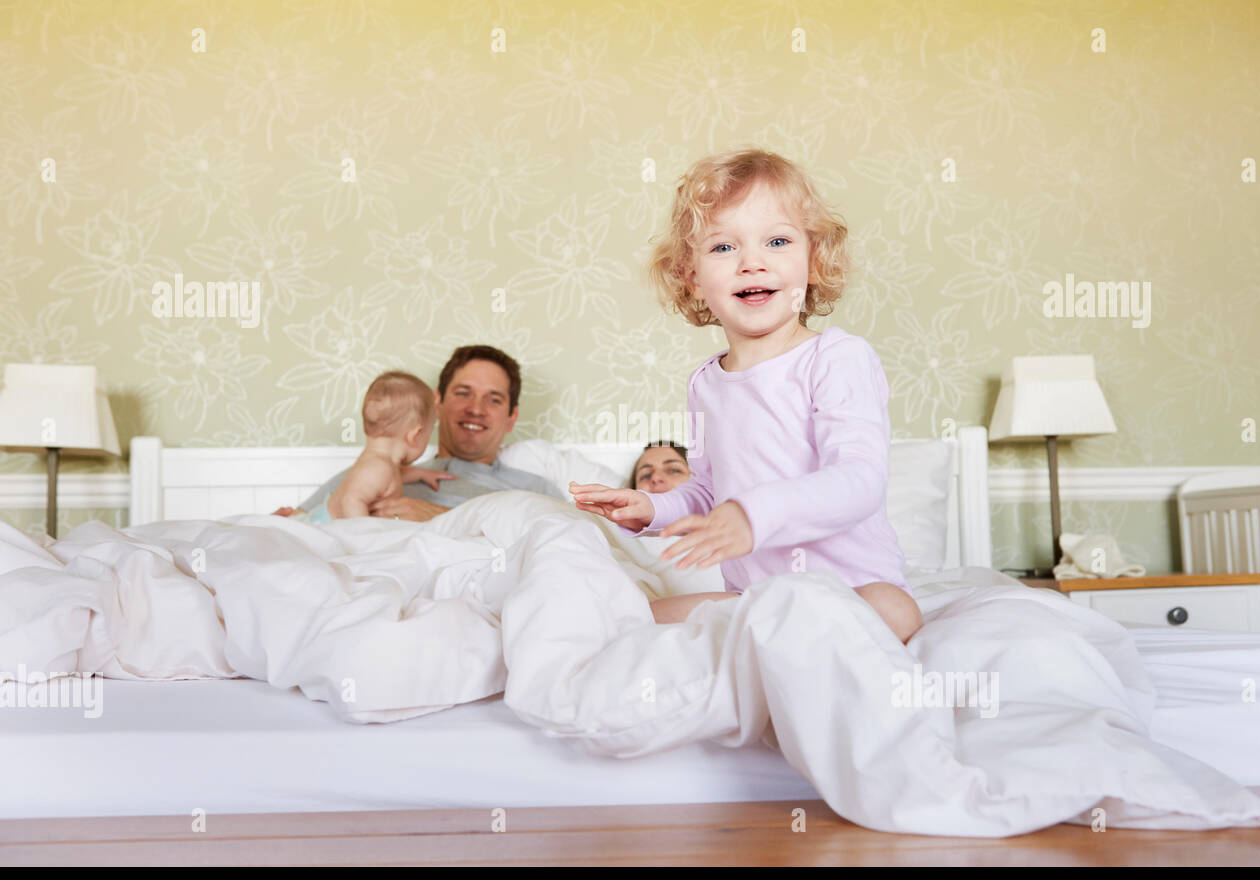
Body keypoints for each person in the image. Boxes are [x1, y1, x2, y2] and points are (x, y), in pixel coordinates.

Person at [570, 148, 923, 644]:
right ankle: (773, 642)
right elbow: (710, 494)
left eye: (777, 241)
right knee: (631, 619)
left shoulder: (838, 358)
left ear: (814, 260)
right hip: (756, 596)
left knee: (894, 610)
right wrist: (652, 508)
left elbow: (860, 480)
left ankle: (789, 649)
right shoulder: (705, 383)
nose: (752, 263)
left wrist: (755, 516)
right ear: (691, 278)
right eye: (723, 248)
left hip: (850, 588)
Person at [276, 346, 562, 521]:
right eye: (463, 393)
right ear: (437, 403)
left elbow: (562, 541)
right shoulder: (379, 470)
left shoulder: (534, 490)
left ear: (512, 418)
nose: (476, 409)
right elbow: (304, 523)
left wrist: (442, 518)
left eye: (494, 399)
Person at [289, 370, 455, 524]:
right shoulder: (378, 468)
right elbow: (351, 500)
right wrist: (364, 534)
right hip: (322, 524)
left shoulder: (382, 463)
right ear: (415, 435)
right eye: (430, 430)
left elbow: (396, 475)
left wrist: (421, 474)